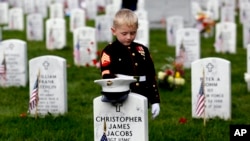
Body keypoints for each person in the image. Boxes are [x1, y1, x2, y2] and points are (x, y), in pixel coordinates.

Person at [99, 8, 160, 119]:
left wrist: (155, 100)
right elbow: (106, 73)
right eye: (124, 33)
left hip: (142, 92)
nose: (129, 37)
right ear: (114, 31)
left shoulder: (142, 50)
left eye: (133, 33)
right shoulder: (109, 51)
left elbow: (151, 75)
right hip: (120, 94)